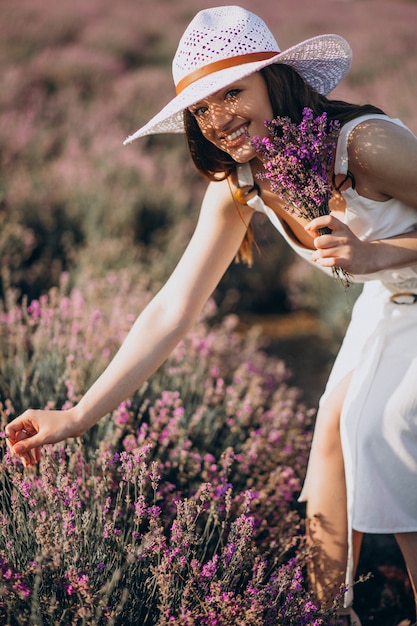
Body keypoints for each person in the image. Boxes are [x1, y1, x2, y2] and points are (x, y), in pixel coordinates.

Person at [5, 6, 417, 624]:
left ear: (275, 80)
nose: (219, 119)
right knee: (331, 434)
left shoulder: (364, 143)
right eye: (202, 108)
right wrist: (79, 414)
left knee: (382, 431)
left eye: (232, 92)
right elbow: (174, 307)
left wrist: (375, 251)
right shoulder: (240, 185)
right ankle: (329, 613)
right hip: (388, 304)